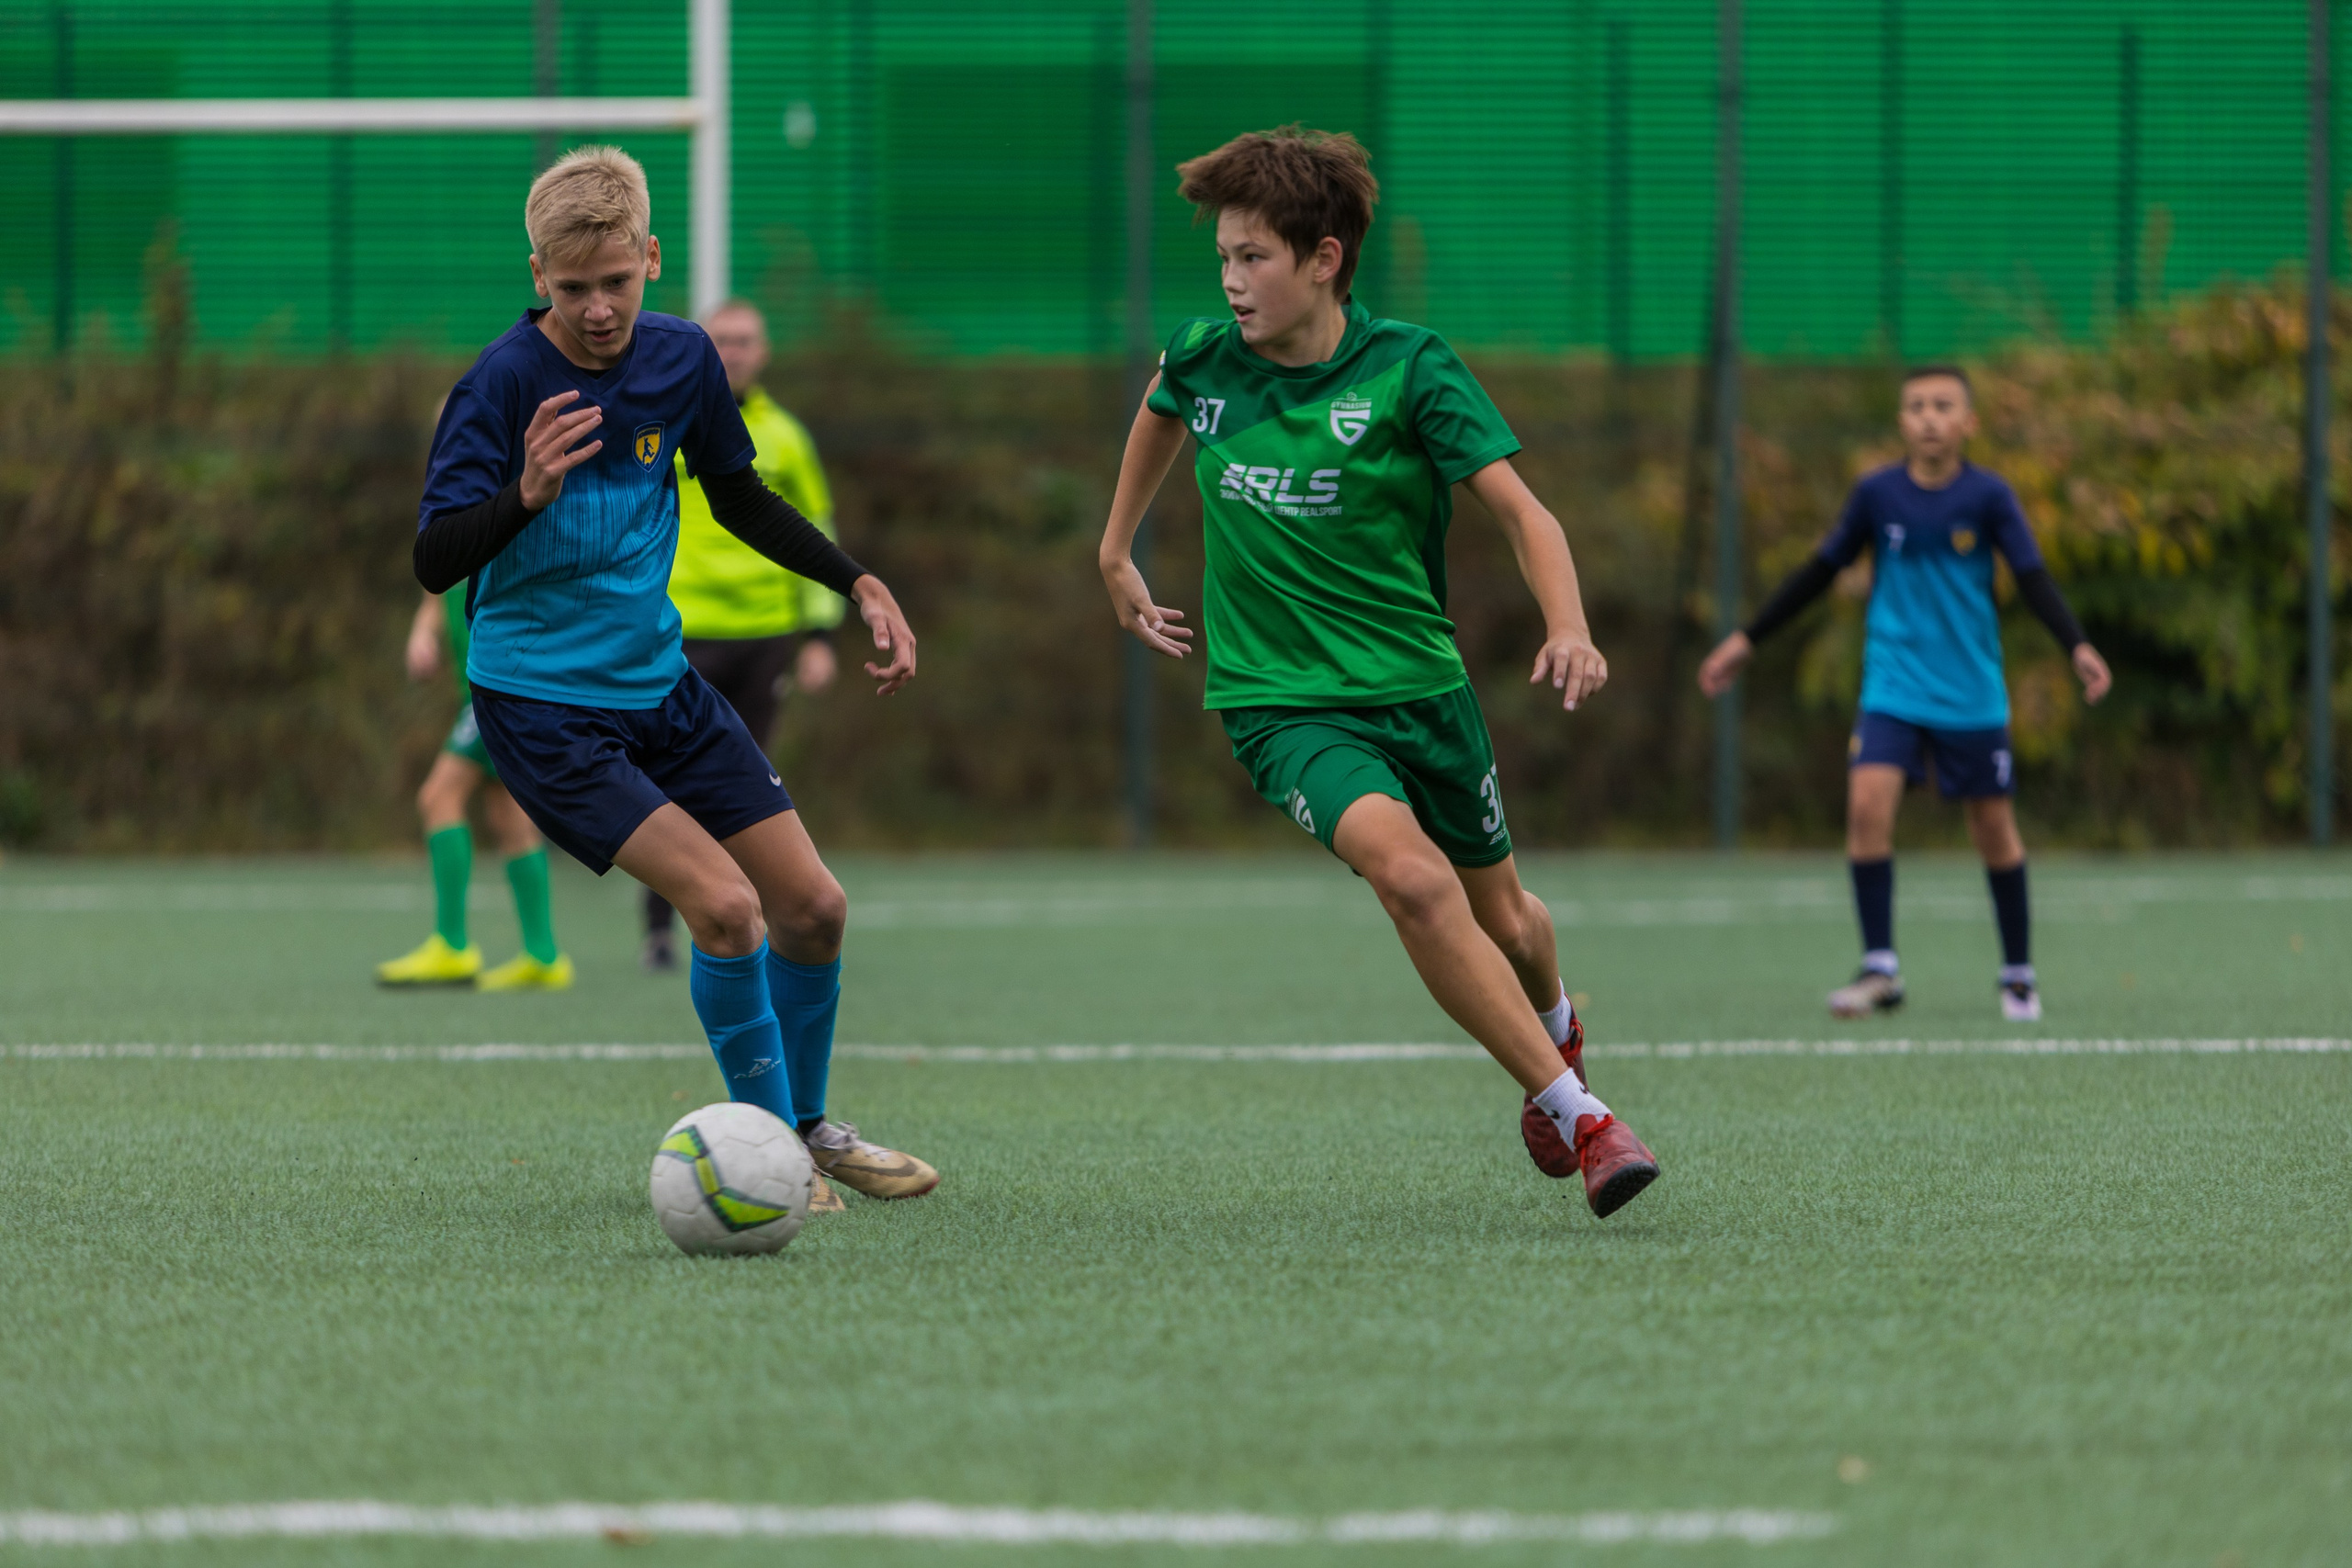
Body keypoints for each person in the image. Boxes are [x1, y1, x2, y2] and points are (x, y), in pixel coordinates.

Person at [1097, 127, 1659, 1220]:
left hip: (1420, 690)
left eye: (1253, 257)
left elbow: (1523, 514)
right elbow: (1162, 411)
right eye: (1222, 258)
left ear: (1324, 259)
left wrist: (1570, 624)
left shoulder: (1409, 367)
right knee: (1411, 881)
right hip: (1283, 705)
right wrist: (1115, 550)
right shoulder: (1205, 355)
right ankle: (1586, 1120)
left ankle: (1555, 1031)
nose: (1230, 281)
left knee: (1511, 924)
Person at [413, 145, 936, 1202]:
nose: (598, 309)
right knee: (728, 909)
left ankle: (809, 1130)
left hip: (661, 686)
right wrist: (525, 494)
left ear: (650, 257)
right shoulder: (500, 384)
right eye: (573, 289)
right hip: (544, 707)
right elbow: (434, 556)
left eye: (616, 281)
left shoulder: (683, 358)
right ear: (538, 277)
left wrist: (856, 582)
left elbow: (738, 498)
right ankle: (774, 1151)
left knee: (815, 908)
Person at [1697, 366, 2112, 1022]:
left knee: (1992, 828)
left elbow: (2032, 576)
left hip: (1971, 691)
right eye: (1917, 406)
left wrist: (2077, 646)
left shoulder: (1990, 496)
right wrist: (1747, 640)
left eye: (1943, 405)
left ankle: (2017, 974)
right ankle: (1880, 968)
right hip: (1893, 685)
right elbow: (1820, 571)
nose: (1929, 417)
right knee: (1866, 806)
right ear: (1901, 421)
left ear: (1969, 422)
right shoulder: (1877, 494)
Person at [640, 299, 843, 973]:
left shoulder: (786, 436)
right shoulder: (664, 421)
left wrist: (820, 635)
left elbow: (815, 527)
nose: (732, 351)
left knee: (749, 785)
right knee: (665, 784)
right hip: (679, 631)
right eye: (721, 339)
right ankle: (660, 929)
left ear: (765, 352)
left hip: (764, 634)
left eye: (745, 340)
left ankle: (753, 923)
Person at [374, 586, 572, 989]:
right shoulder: (442, 544)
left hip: (505, 685)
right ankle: (543, 955)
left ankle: (452, 945)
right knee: (507, 812)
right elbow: (435, 588)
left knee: (438, 797)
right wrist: (423, 631)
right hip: (486, 687)